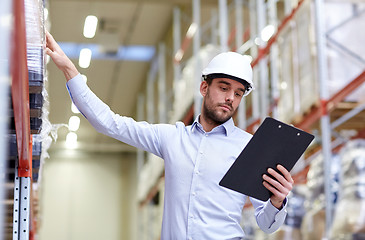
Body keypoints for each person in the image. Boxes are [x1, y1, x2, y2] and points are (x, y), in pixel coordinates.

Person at [46, 31, 293, 239]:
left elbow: (267, 225)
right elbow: (110, 123)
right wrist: (68, 69)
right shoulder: (172, 138)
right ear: (204, 87)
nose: (230, 98)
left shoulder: (249, 147)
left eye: (238, 93)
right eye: (224, 87)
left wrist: (278, 201)